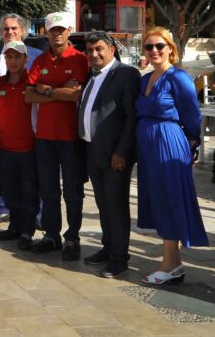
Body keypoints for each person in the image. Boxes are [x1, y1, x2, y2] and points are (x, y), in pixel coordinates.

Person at [135, 27, 208, 285]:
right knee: (159, 199)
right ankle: (174, 264)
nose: (154, 51)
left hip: (168, 142)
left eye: (159, 46)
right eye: (149, 47)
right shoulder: (145, 79)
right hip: (148, 146)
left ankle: (168, 264)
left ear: (171, 49)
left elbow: (192, 114)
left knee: (170, 198)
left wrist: (192, 143)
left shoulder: (178, 77)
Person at [25, 12, 88, 260]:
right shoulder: (40, 61)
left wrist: (46, 88)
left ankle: (72, 237)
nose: (57, 33)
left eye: (61, 29)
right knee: (49, 190)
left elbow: (75, 95)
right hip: (45, 136)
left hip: (70, 137)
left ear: (69, 30)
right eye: (53, 30)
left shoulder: (80, 59)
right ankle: (52, 235)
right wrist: (58, 91)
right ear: (46, 32)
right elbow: (29, 96)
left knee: (73, 191)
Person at [78, 31, 140, 278]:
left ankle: (119, 257)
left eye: (99, 49)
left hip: (115, 154)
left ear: (112, 50)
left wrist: (122, 151)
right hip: (93, 150)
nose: (94, 54)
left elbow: (131, 117)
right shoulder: (92, 75)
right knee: (103, 204)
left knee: (116, 206)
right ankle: (108, 247)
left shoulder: (126, 75)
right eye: (90, 50)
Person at [0, 13, 42, 226]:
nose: (10, 32)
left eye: (14, 29)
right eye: (6, 29)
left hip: (27, 119)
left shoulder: (36, 56)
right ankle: (3, 209)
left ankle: (35, 215)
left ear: (23, 31)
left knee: (30, 172)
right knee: (2, 167)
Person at [0, 41, 37, 251]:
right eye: (9, 57)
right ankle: (15, 226)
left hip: (28, 148)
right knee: (9, 192)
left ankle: (27, 231)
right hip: (5, 147)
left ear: (25, 59)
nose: (13, 61)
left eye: (17, 57)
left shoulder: (33, 81)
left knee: (28, 192)